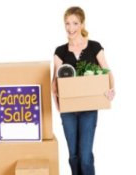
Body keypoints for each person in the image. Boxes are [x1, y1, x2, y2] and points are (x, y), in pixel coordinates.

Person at [52, 6, 115, 175]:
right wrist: (57, 101)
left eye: (75, 23)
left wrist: (111, 90)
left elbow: (107, 71)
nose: (70, 28)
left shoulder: (94, 47)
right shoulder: (60, 51)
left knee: (85, 156)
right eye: (67, 23)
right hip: (68, 111)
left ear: (82, 24)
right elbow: (55, 81)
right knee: (73, 156)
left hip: (89, 109)